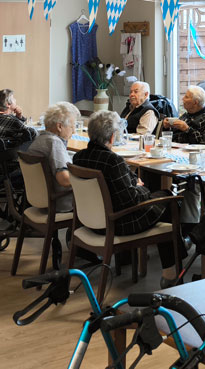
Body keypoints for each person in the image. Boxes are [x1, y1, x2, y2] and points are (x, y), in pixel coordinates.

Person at [72, 110, 182, 288]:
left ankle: (169, 269)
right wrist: (142, 189)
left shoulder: (79, 157)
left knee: (163, 196)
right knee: (168, 198)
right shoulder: (113, 161)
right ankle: (171, 270)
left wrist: (132, 182)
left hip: (90, 223)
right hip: (117, 223)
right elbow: (130, 200)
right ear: (113, 136)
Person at [26, 102, 80, 213]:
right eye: (72, 126)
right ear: (60, 126)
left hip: (40, 199)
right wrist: (85, 177)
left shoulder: (40, 139)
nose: (74, 131)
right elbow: (64, 179)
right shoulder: (54, 143)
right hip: (61, 202)